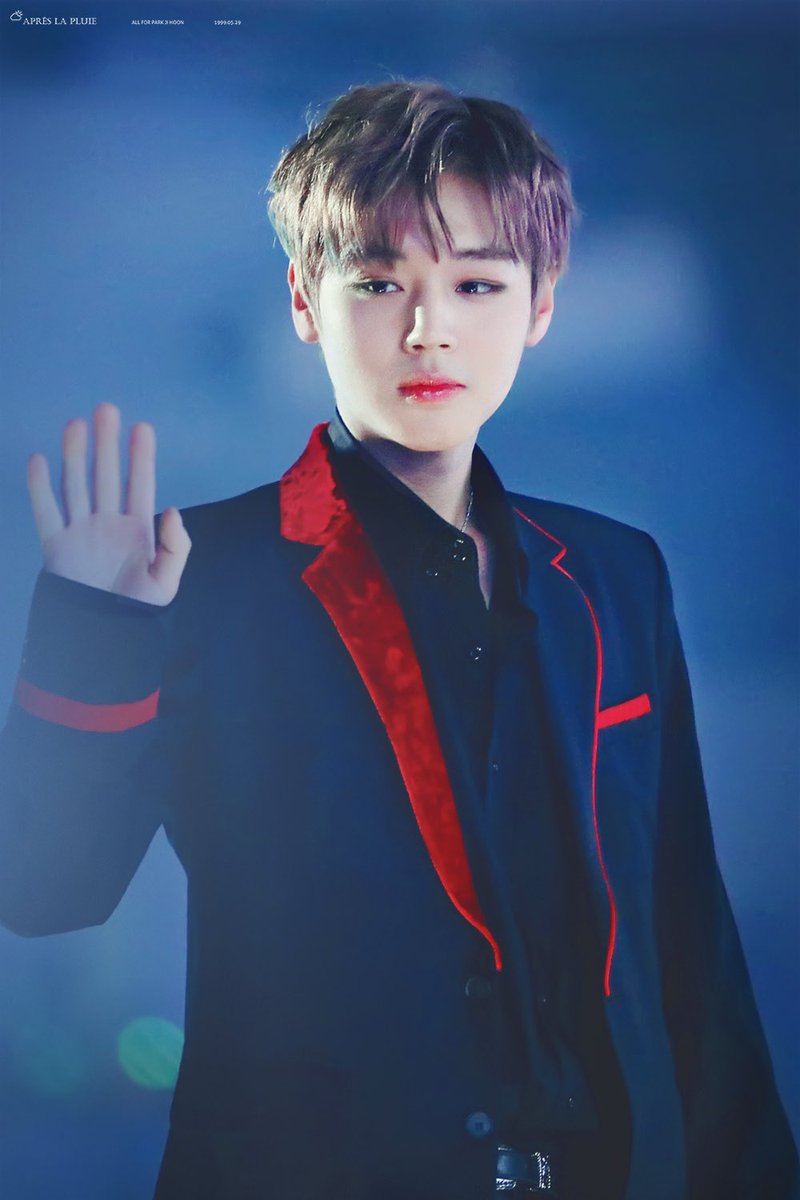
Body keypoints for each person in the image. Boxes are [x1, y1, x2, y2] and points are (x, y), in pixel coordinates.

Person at [0, 80, 796, 1200]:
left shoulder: (616, 575)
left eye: (476, 283)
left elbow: (689, 944)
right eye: (379, 283)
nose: (429, 330)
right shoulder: (191, 574)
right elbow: (46, 890)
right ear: (304, 300)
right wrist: (94, 626)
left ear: (540, 305)